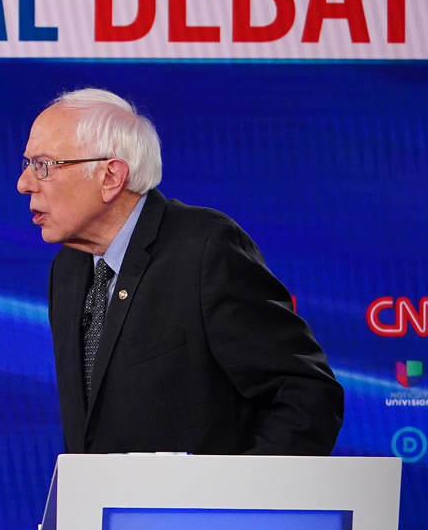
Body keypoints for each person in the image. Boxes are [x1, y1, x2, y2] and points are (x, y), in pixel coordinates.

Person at [17, 88, 342, 462]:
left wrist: (240, 501)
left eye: (43, 165)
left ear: (110, 177)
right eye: (27, 163)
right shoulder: (69, 268)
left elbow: (307, 393)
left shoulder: (205, 249)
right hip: (106, 515)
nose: (24, 183)